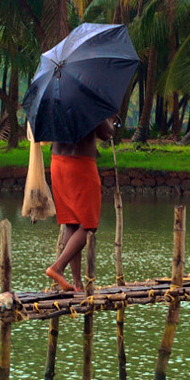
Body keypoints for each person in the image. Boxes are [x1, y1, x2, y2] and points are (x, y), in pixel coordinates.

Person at [45, 117, 117, 291]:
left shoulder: (58, 101)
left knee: (71, 223)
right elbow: (106, 133)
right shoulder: (88, 101)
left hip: (58, 163)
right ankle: (58, 267)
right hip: (80, 165)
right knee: (89, 225)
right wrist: (109, 117)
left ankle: (77, 283)